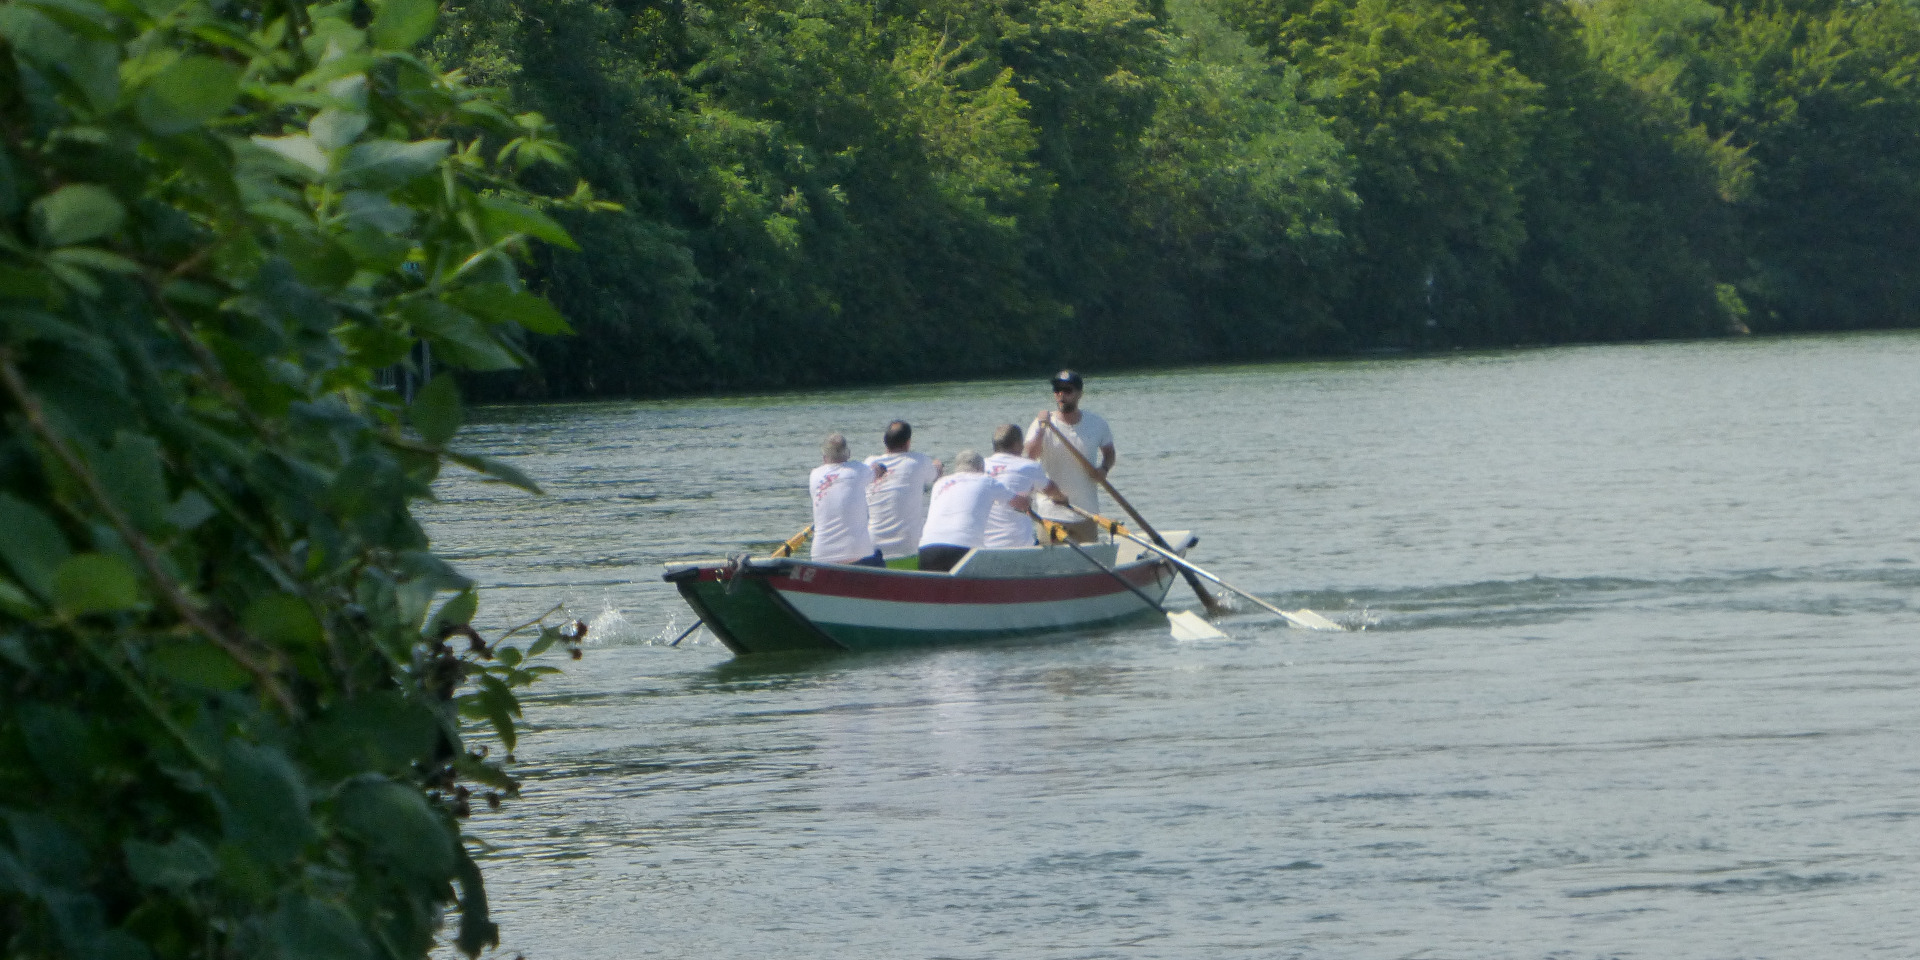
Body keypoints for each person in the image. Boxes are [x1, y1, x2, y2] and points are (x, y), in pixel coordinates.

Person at [1024, 369, 1113, 543]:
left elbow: (1109, 453)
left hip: (1085, 512)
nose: (1061, 395)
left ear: (1079, 394)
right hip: (1050, 512)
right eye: (1057, 390)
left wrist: (1104, 469)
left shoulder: (1097, 423)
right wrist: (1042, 428)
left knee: (1090, 566)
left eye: (1067, 390)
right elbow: (1030, 456)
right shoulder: (1041, 423)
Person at [917, 450, 1030, 572]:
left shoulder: (939, 483)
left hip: (927, 550)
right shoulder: (987, 480)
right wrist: (1027, 496)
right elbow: (1022, 504)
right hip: (964, 550)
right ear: (981, 468)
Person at [865, 420, 943, 565]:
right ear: (908, 442)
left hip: (872, 548)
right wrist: (938, 466)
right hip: (906, 549)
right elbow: (935, 474)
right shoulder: (918, 461)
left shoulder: (869, 464)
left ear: (885, 442)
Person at [808, 433, 885, 566]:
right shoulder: (858, 469)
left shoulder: (814, 475)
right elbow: (878, 471)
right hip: (857, 554)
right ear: (848, 454)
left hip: (820, 556)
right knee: (879, 558)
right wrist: (880, 467)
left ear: (824, 457)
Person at [983, 424, 1058, 547]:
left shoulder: (981, 466)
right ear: (1017, 445)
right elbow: (1052, 491)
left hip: (982, 546)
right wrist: (1062, 499)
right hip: (1017, 543)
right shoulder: (1029, 466)